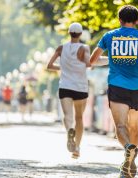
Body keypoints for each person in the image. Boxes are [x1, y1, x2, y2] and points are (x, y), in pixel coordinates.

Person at [89, 5, 138, 178]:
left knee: (120, 126)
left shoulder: (109, 36)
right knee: (134, 126)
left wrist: (113, 59)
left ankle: (128, 149)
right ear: (137, 20)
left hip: (118, 87)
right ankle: (131, 162)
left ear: (119, 20)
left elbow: (92, 61)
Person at [47, 22, 91, 159]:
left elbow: (49, 65)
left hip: (65, 86)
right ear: (81, 34)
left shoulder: (61, 48)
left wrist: (63, 68)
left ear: (69, 33)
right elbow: (89, 64)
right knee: (79, 117)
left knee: (67, 116)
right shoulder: (84, 48)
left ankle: (69, 130)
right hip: (80, 87)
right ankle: (77, 148)